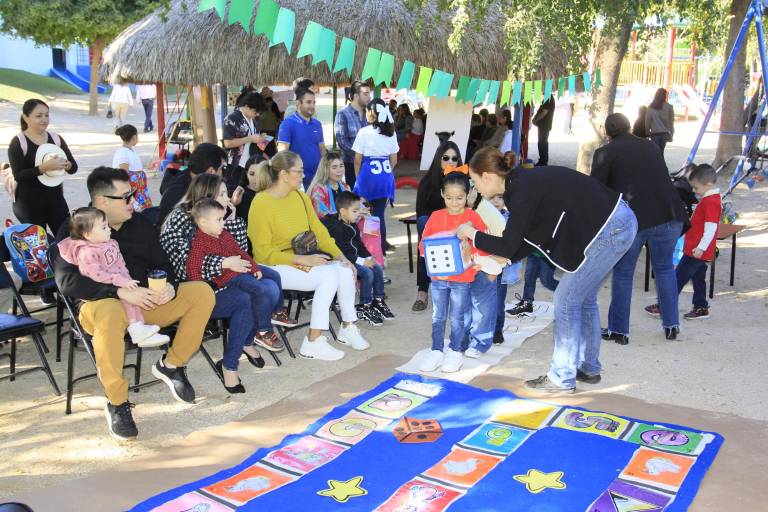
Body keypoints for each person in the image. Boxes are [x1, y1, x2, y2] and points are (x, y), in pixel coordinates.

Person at [51, 166, 216, 440]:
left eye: (134, 194)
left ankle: (171, 364)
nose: (134, 201)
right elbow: (67, 282)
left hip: (145, 303)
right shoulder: (76, 228)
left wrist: (168, 285)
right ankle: (117, 402)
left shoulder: (138, 224)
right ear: (102, 201)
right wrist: (117, 292)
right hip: (100, 305)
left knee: (201, 292)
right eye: (126, 197)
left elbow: (163, 263)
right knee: (109, 311)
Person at [457, 148, 638, 393]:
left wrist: (471, 233)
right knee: (583, 299)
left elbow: (509, 244)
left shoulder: (521, 189)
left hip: (611, 228)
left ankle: (562, 378)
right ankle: (589, 367)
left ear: (487, 176)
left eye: (475, 181)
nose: (475, 188)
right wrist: (500, 261)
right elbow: (527, 240)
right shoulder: (520, 185)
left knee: (566, 300)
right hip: (617, 223)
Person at [248, 151, 370, 360]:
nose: (303, 175)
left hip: (301, 259)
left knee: (344, 270)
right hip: (272, 267)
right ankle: (313, 341)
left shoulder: (300, 197)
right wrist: (301, 260)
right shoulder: (261, 203)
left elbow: (320, 233)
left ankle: (348, 326)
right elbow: (262, 253)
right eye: (299, 171)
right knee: (328, 276)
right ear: (284, 174)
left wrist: (343, 258)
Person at [160, 172, 295, 347]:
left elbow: (240, 250)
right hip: (202, 285)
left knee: (271, 283)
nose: (228, 198)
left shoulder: (217, 215)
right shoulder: (179, 219)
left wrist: (231, 220)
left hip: (228, 274)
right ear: (207, 196)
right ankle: (254, 337)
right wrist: (224, 263)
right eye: (222, 194)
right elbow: (184, 266)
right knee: (261, 291)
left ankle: (254, 335)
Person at [592, 113, 688, 343]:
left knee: (623, 274)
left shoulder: (605, 152)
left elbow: (596, 190)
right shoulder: (650, 146)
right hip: (669, 214)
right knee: (665, 270)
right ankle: (671, 325)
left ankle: (619, 330)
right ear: (629, 128)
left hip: (633, 220)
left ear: (608, 133)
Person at [186, 198, 284, 393]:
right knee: (256, 293)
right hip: (215, 288)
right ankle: (262, 332)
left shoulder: (223, 234)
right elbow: (193, 272)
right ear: (203, 222)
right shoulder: (198, 243)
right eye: (219, 220)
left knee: (268, 285)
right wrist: (205, 289)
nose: (223, 223)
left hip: (237, 275)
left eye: (223, 219)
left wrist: (254, 266)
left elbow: (240, 251)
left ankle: (252, 338)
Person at [58, 207, 169, 347]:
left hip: (121, 281)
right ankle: (135, 329)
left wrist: (127, 279)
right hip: (103, 293)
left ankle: (139, 328)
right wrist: (120, 281)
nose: (109, 229)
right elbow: (96, 275)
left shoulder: (110, 243)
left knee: (134, 299)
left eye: (107, 225)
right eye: (104, 227)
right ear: (88, 235)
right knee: (127, 301)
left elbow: (120, 263)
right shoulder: (87, 253)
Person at [419, 171, 488, 373]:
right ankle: (436, 350)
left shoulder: (472, 216)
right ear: (442, 194)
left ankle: (455, 350)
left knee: (458, 316)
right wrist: (432, 262)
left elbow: (484, 241)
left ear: (468, 195)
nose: (454, 203)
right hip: (438, 278)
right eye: (449, 198)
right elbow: (423, 244)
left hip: (462, 278)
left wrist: (475, 256)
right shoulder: (436, 216)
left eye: (459, 198)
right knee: (438, 315)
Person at [646, 165, 721, 321]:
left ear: (708, 184)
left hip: (696, 250)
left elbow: (711, 228)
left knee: (678, 278)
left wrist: (701, 247)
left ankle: (664, 306)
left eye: (696, 188)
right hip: (696, 249)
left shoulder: (710, 202)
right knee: (698, 279)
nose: (694, 191)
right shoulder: (709, 200)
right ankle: (701, 307)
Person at [7, 98, 78, 237]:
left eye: (46, 115)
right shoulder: (18, 142)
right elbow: (19, 175)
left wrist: (66, 164)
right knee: (38, 243)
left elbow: (73, 167)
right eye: (38, 116)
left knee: (67, 238)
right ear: (26, 118)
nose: (44, 119)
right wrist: (43, 168)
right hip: (28, 202)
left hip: (55, 198)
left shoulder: (56, 139)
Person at [323, 191, 394, 326]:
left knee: (377, 268)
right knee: (367, 273)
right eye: (355, 211)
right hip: (341, 261)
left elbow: (359, 244)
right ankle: (364, 306)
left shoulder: (351, 223)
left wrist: (369, 257)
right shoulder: (336, 228)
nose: (358, 214)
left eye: (358, 210)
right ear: (343, 211)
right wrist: (362, 261)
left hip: (354, 258)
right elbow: (342, 252)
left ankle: (378, 301)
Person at [413, 141, 463, 312]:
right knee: (425, 234)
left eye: (454, 158)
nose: (450, 161)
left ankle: (456, 289)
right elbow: (420, 211)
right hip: (433, 226)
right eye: (446, 158)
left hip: (457, 225)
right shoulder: (428, 181)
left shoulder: (463, 180)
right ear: (438, 158)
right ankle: (422, 291)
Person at [352, 98, 399, 254]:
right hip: (385, 176)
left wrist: (358, 179)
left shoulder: (364, 132)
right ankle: (381, 254)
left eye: (366, 110)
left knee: (363, 214)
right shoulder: (391, 132)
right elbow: (394, 160)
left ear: (371, 112)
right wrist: (385, 174)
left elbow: (357, 160)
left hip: (368, 177)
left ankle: (369, 252)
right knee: (379, 215)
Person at [158, 142, 227, 226]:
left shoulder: (189, 179)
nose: (223, 173)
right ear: (211, 171)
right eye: (222, 168)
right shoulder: (181, 193)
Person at [277, 88, 326, 189]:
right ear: (298, 103)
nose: (312, 106)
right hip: (297, 180)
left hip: (318, 178)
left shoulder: (317, 124)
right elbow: (282, 153)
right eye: (308, 102)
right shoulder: (287, 124)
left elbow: (322, 149)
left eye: (314, 102)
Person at [489, 193, 522, 344]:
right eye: (492, 198)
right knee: (481, 301)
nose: (496, 201)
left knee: (498, 302)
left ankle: (497, 331)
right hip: (483, 266)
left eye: (500, 197)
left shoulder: (510, 219)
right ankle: (480, 330)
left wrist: (517, 266)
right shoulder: (480, 217)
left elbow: (515, 245)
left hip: (501, 268)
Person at [223, 90, 268, 193]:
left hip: (250, 165)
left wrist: (262, 139)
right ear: (247, 106)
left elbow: (256, 144)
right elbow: (228, 143)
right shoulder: (232, 118)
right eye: (255, 112)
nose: (257, 114)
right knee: (233, 192)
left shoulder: (253, 121)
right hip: (235, 165)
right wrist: (250, 138)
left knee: (248, 194)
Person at [334, 80, 371, 188]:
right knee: (354, 195)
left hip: (369, 164)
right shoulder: (342, 114)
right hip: (350, 164)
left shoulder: (370, 114)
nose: (369, 97)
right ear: (356, 95)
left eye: (369, 93)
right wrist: (360, 156)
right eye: (365, 94)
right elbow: (342, 142)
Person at [112, 124, 152, 211]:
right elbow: (123, 174)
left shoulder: (130, 150)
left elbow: (134, 167)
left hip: (139, 189)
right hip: (133, 191)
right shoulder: (123, 153)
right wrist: (131, 197)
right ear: (134, 137)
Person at [308, 150, 351, 219]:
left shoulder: (345, 187)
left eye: (341, 166)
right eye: (334, 167)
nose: (339, 170)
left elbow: (352, 206)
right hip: (327, 224)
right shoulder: (318, 189)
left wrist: (360, 209)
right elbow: (322, 214)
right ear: (326, 170)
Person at [646, 87, 675, 155]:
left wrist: (647, 131)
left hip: (654, 133)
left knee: (655, 153)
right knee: (661, 152)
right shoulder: (669, 107)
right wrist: (671, 134)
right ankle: (660, 161)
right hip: (665, 133)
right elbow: (671, 122)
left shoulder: (651, 107)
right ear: (665, 95)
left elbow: (648, 121)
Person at [532, 96, 555, 166]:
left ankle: (543, 162)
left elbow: (544, 112)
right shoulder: (547, 98)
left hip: (544, 126)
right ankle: (543, 161)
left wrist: (536, 120)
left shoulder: (548, 99)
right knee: (542, 143)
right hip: (544, 125)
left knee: (542, 143)